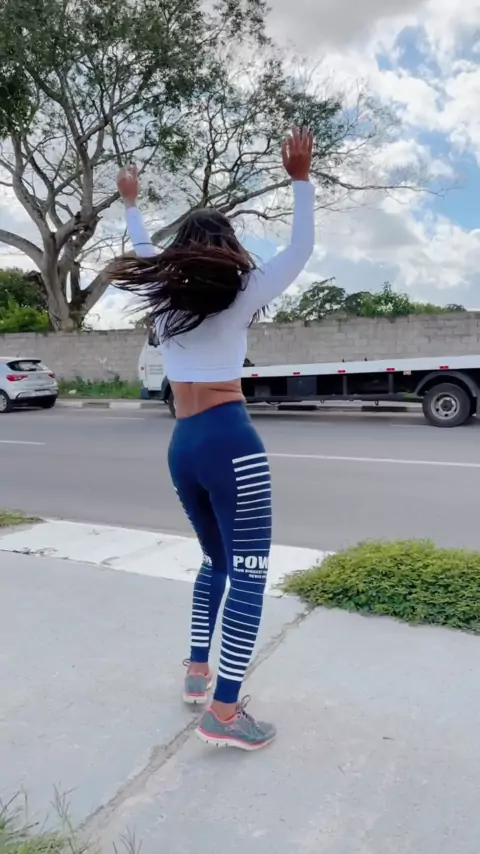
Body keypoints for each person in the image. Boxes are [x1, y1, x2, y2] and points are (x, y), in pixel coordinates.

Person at [110, 127, 314, 751]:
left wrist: (130, 203)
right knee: (249, 573)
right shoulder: (243, 291)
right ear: (227, 246)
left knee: (215, 562)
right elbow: (300, 249)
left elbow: (143, 249)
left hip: (184, 445)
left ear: (181, 250)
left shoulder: (164, 299)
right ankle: (224, 711)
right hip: (231, 440)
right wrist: (300, 181)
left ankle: (197, 673)